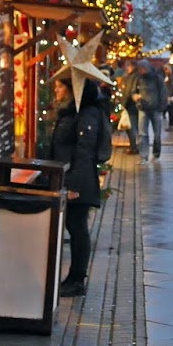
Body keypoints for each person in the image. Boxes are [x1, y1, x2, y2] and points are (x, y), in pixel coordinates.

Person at [51, 75, 105, 298]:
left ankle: (77, 279)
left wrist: (73, 184)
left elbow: (84, 150)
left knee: (77, 228)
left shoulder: (86, 114)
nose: (56, 91)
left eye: (59, 87)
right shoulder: (72, 112)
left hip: (78, 182)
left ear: (72, 90)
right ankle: (73, 278)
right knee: (74, 227)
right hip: (68, 179)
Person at [134, 57, 167, 159]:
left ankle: (156, 153)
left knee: (157, 133)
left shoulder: (157, 78)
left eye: (142, 68)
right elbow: (133, 91)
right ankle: (144, 155)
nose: (141, 71)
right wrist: (135, 96)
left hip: (155, 108)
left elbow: (163, 92)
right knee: (142, 133)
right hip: (143, 108)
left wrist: (162, 107)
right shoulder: (138, 78)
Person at [120, 61, 142, 156]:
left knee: (131, 127)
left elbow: (129, 91)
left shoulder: (133, 77)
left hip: (131, 105)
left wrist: (123, 103)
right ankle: (135, 146)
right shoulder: (132, 76)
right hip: (132, 104)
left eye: (128, 66)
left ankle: (134, 147)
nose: (127, 68)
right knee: (133, 127)